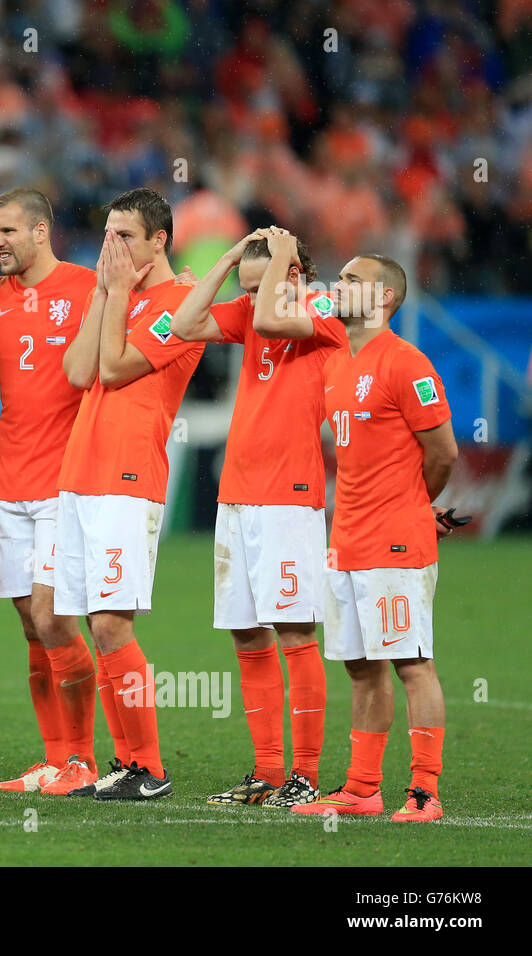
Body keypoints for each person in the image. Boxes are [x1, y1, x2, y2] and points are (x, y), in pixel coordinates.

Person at [170, 227, 346, 808]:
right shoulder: (254, 308)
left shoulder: (322, 307)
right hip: (237, 495)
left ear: (293, 272)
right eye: (243, 288)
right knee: (247, 635)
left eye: (256, 284)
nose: (247, 298)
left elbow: (272, 319)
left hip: (289, 496)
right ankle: (268, 773)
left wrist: (284, 261)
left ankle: (305, 776)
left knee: (295, 634)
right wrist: (226, 260)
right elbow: (184, 325)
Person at [293, 254, 457, 822]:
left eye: (351, 281)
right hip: (347, 540)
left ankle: (424, 792)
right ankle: (362, 790)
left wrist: (413, 504)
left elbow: (444, 452)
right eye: (337, 278)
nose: (337, 286)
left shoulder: (406, 363)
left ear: (384, 298)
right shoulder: (339, 362)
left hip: (394, 540)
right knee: (361, 666)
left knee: (411, 662)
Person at [57, 186, 202, 800]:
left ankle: (150, 768)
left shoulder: (183, 306)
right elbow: (78, 371)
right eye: (107, 235)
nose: (111, 248)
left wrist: (115, 293)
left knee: (114, 623)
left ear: (159, 240)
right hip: (81, 474)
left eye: (126, 237)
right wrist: (103, 291)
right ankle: (127, 764)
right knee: (96, 624)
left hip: (127, 477)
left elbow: (115, 369)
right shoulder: (118, 294)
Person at [0, 187, 99, 795]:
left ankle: (85, 760)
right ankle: (55, 758)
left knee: (54, 617)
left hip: (66, 483)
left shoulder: (87, 286)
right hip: (11, 480)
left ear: (40, 231)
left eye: (7, 231)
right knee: (29, 623)